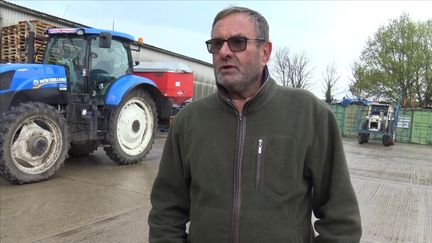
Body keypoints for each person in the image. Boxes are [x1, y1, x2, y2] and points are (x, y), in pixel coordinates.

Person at [148, 6, 362, 243]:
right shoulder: (189, 121)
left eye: (238, 42)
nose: (224, 52)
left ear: (265, 52)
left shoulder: (310, 114)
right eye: (217, 44)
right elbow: (166, 212)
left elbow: (341, 219)